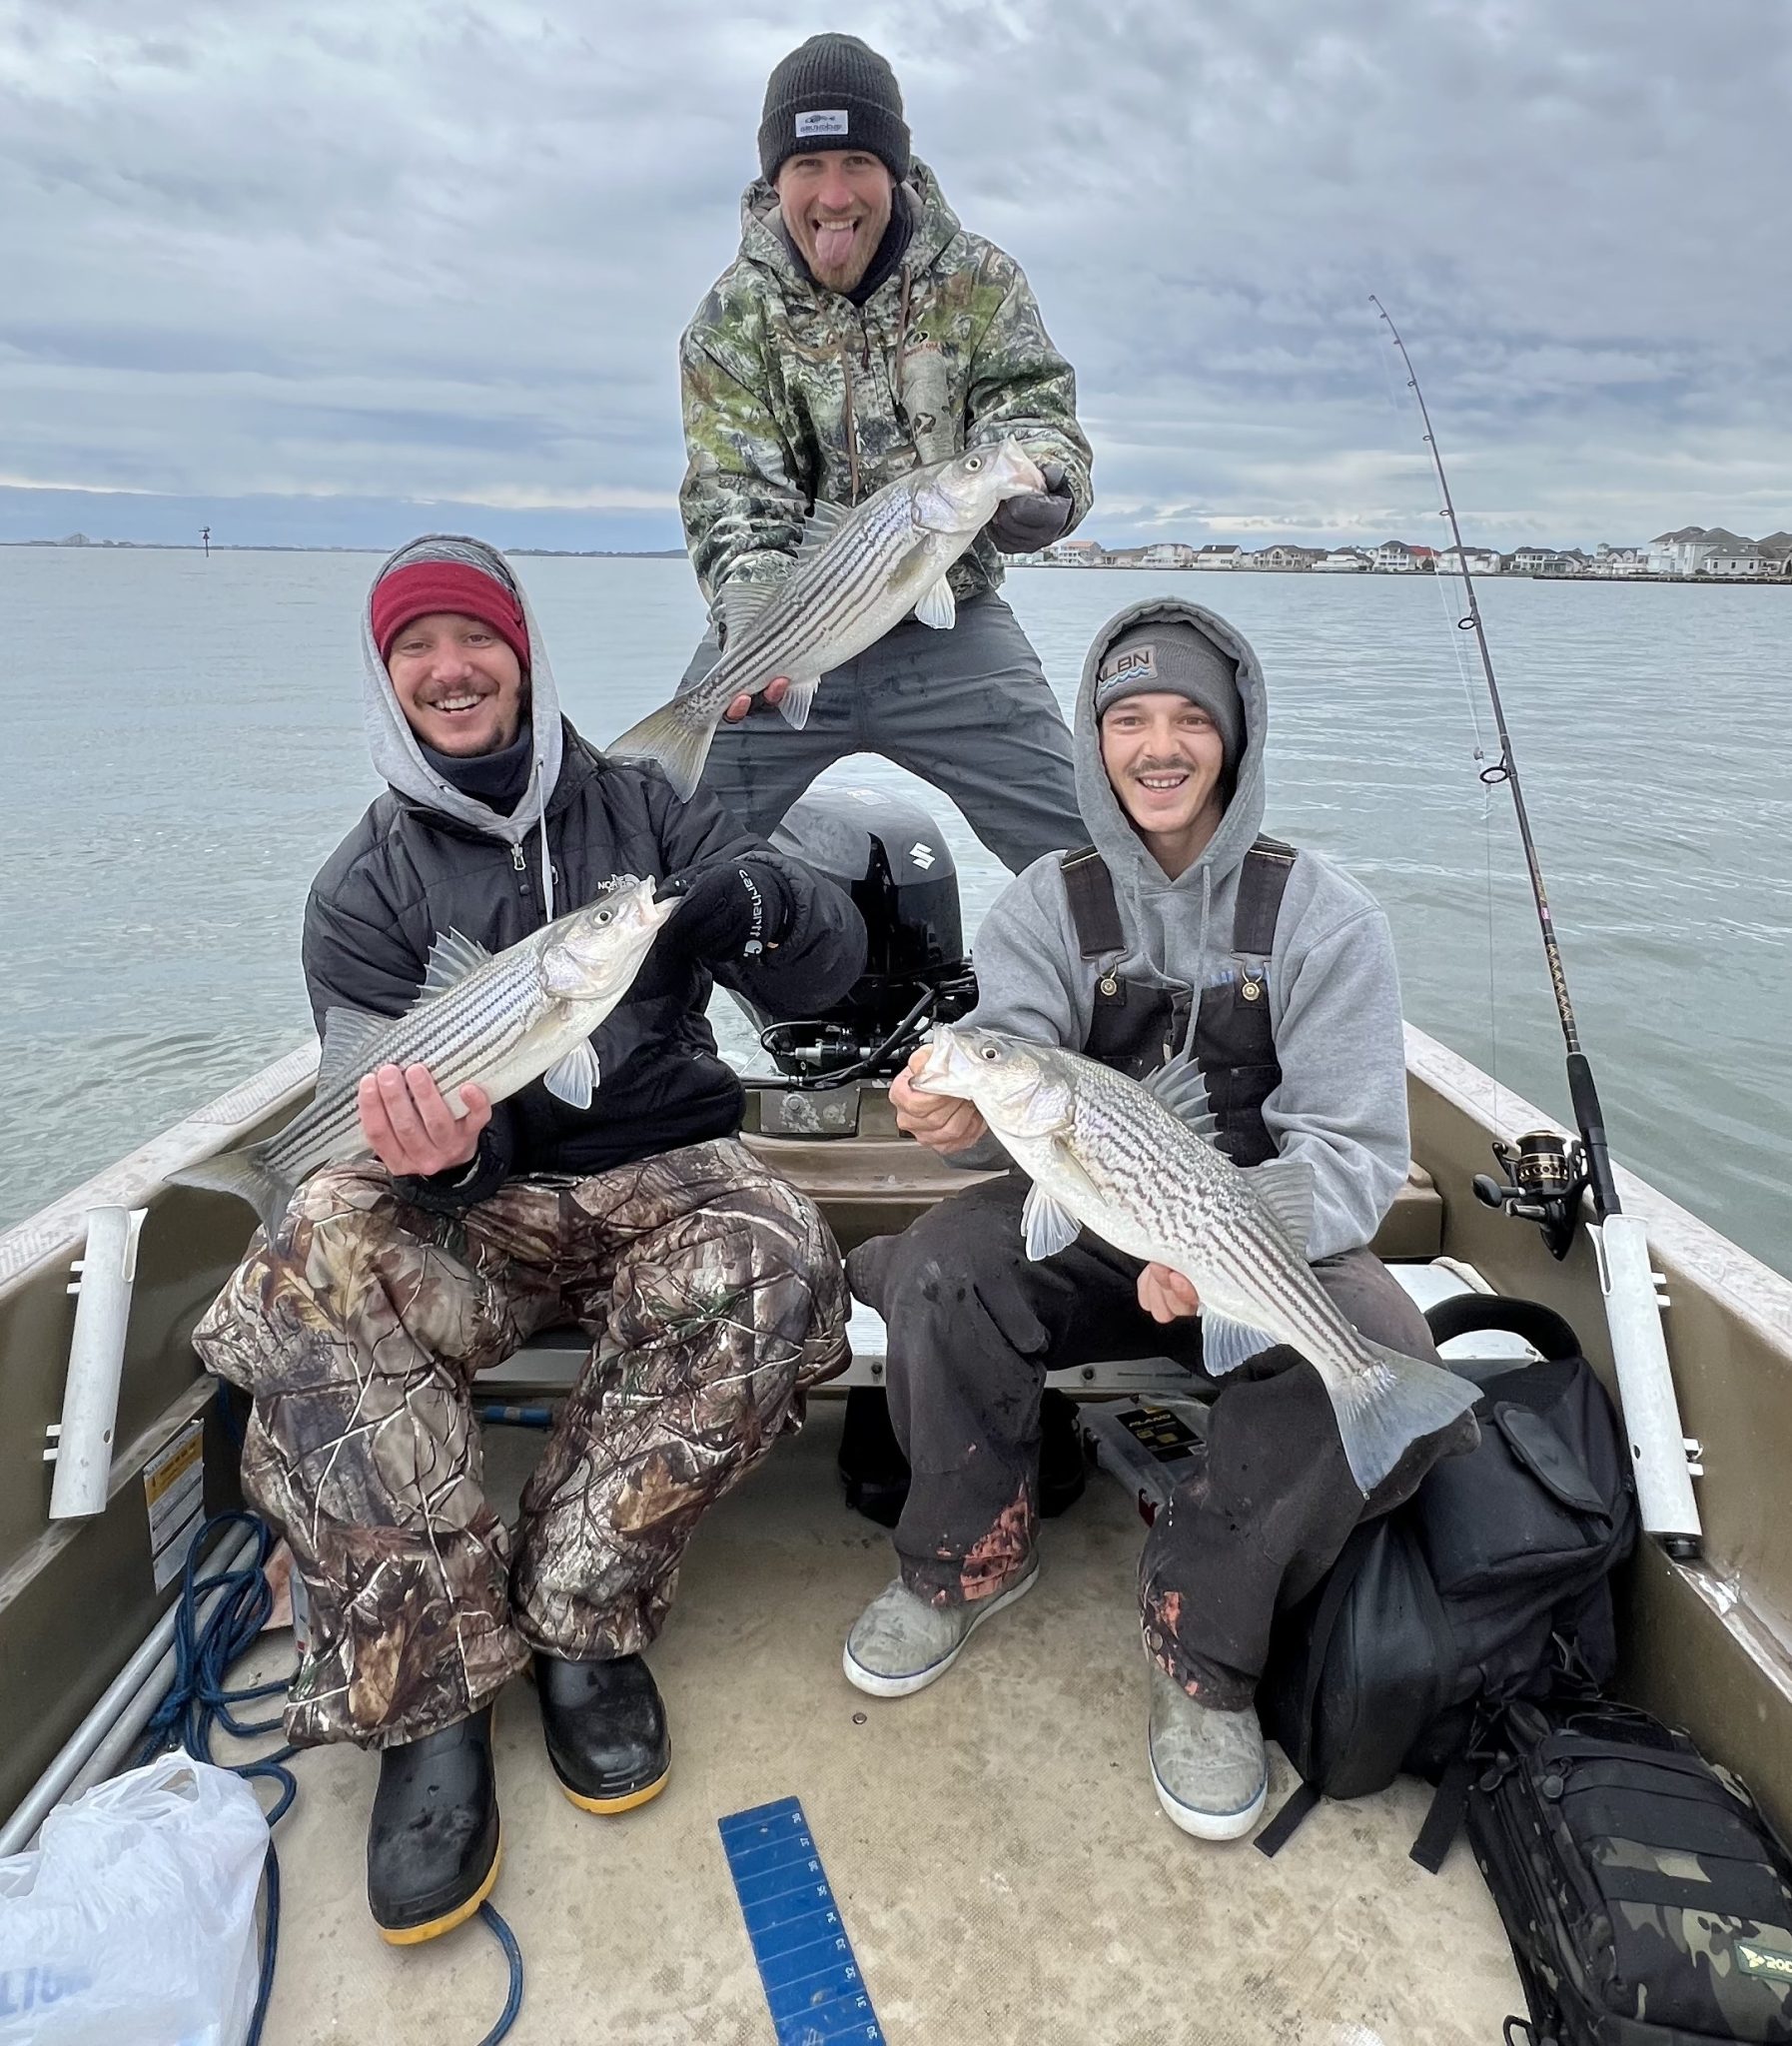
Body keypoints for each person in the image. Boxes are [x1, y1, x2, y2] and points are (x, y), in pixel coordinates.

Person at [193, 535, 866, 1941]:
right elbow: (391, 1111)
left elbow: (822, 974)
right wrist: (447, 1158)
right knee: (306, 1251)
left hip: (658, 1164)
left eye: (475, 638)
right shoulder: (360, 891)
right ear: (387, 682)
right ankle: (432, 1690)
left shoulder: (650, 802)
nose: (450, 669)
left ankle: (579, 1607)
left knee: (783, 1245)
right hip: (469, 1199)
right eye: (413, 650)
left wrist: (775, 905)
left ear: (525, 651)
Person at [840, 598, 1479, 1841]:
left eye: (1192, 717)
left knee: (1381, 1337)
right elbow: (1014, 1066)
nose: (1161, 745)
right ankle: (965, 1550)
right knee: (938, 1269)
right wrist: (959, 1112)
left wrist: (1228, 1244)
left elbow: (1354, 1149)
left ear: (1233, 741)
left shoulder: (1325, 915)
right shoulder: (1044, 902)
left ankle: (1206, 1639)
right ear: (1093, 739)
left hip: (1254, 1238)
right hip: (1087, 1212)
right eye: (1129, 717)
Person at [676, 32, 1094, 871]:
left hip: (954, 624)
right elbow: (734, 499)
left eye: (858, 161)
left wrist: (1043, 479)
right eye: (808, 166)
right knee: (661, 850)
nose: (834, 194)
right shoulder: (731, 319)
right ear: (775, 181)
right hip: (791, 626)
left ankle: (1137, 993)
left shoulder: (980, 280)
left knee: (1089, 847)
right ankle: (654, 1003)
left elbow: (1032, 411)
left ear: (895, 169)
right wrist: (756, 631)